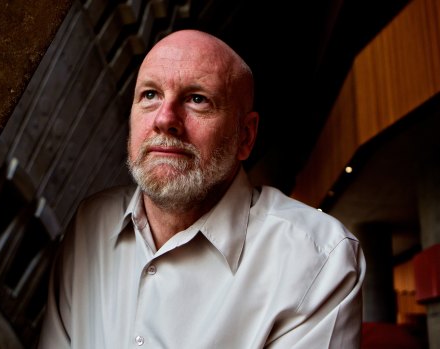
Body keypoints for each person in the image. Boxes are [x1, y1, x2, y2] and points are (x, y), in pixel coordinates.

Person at [38, 29, 365, 348]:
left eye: (197, 99)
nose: (165, 119)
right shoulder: (89, 225)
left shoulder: (317, 259)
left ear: (246, 137)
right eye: (150, 95)